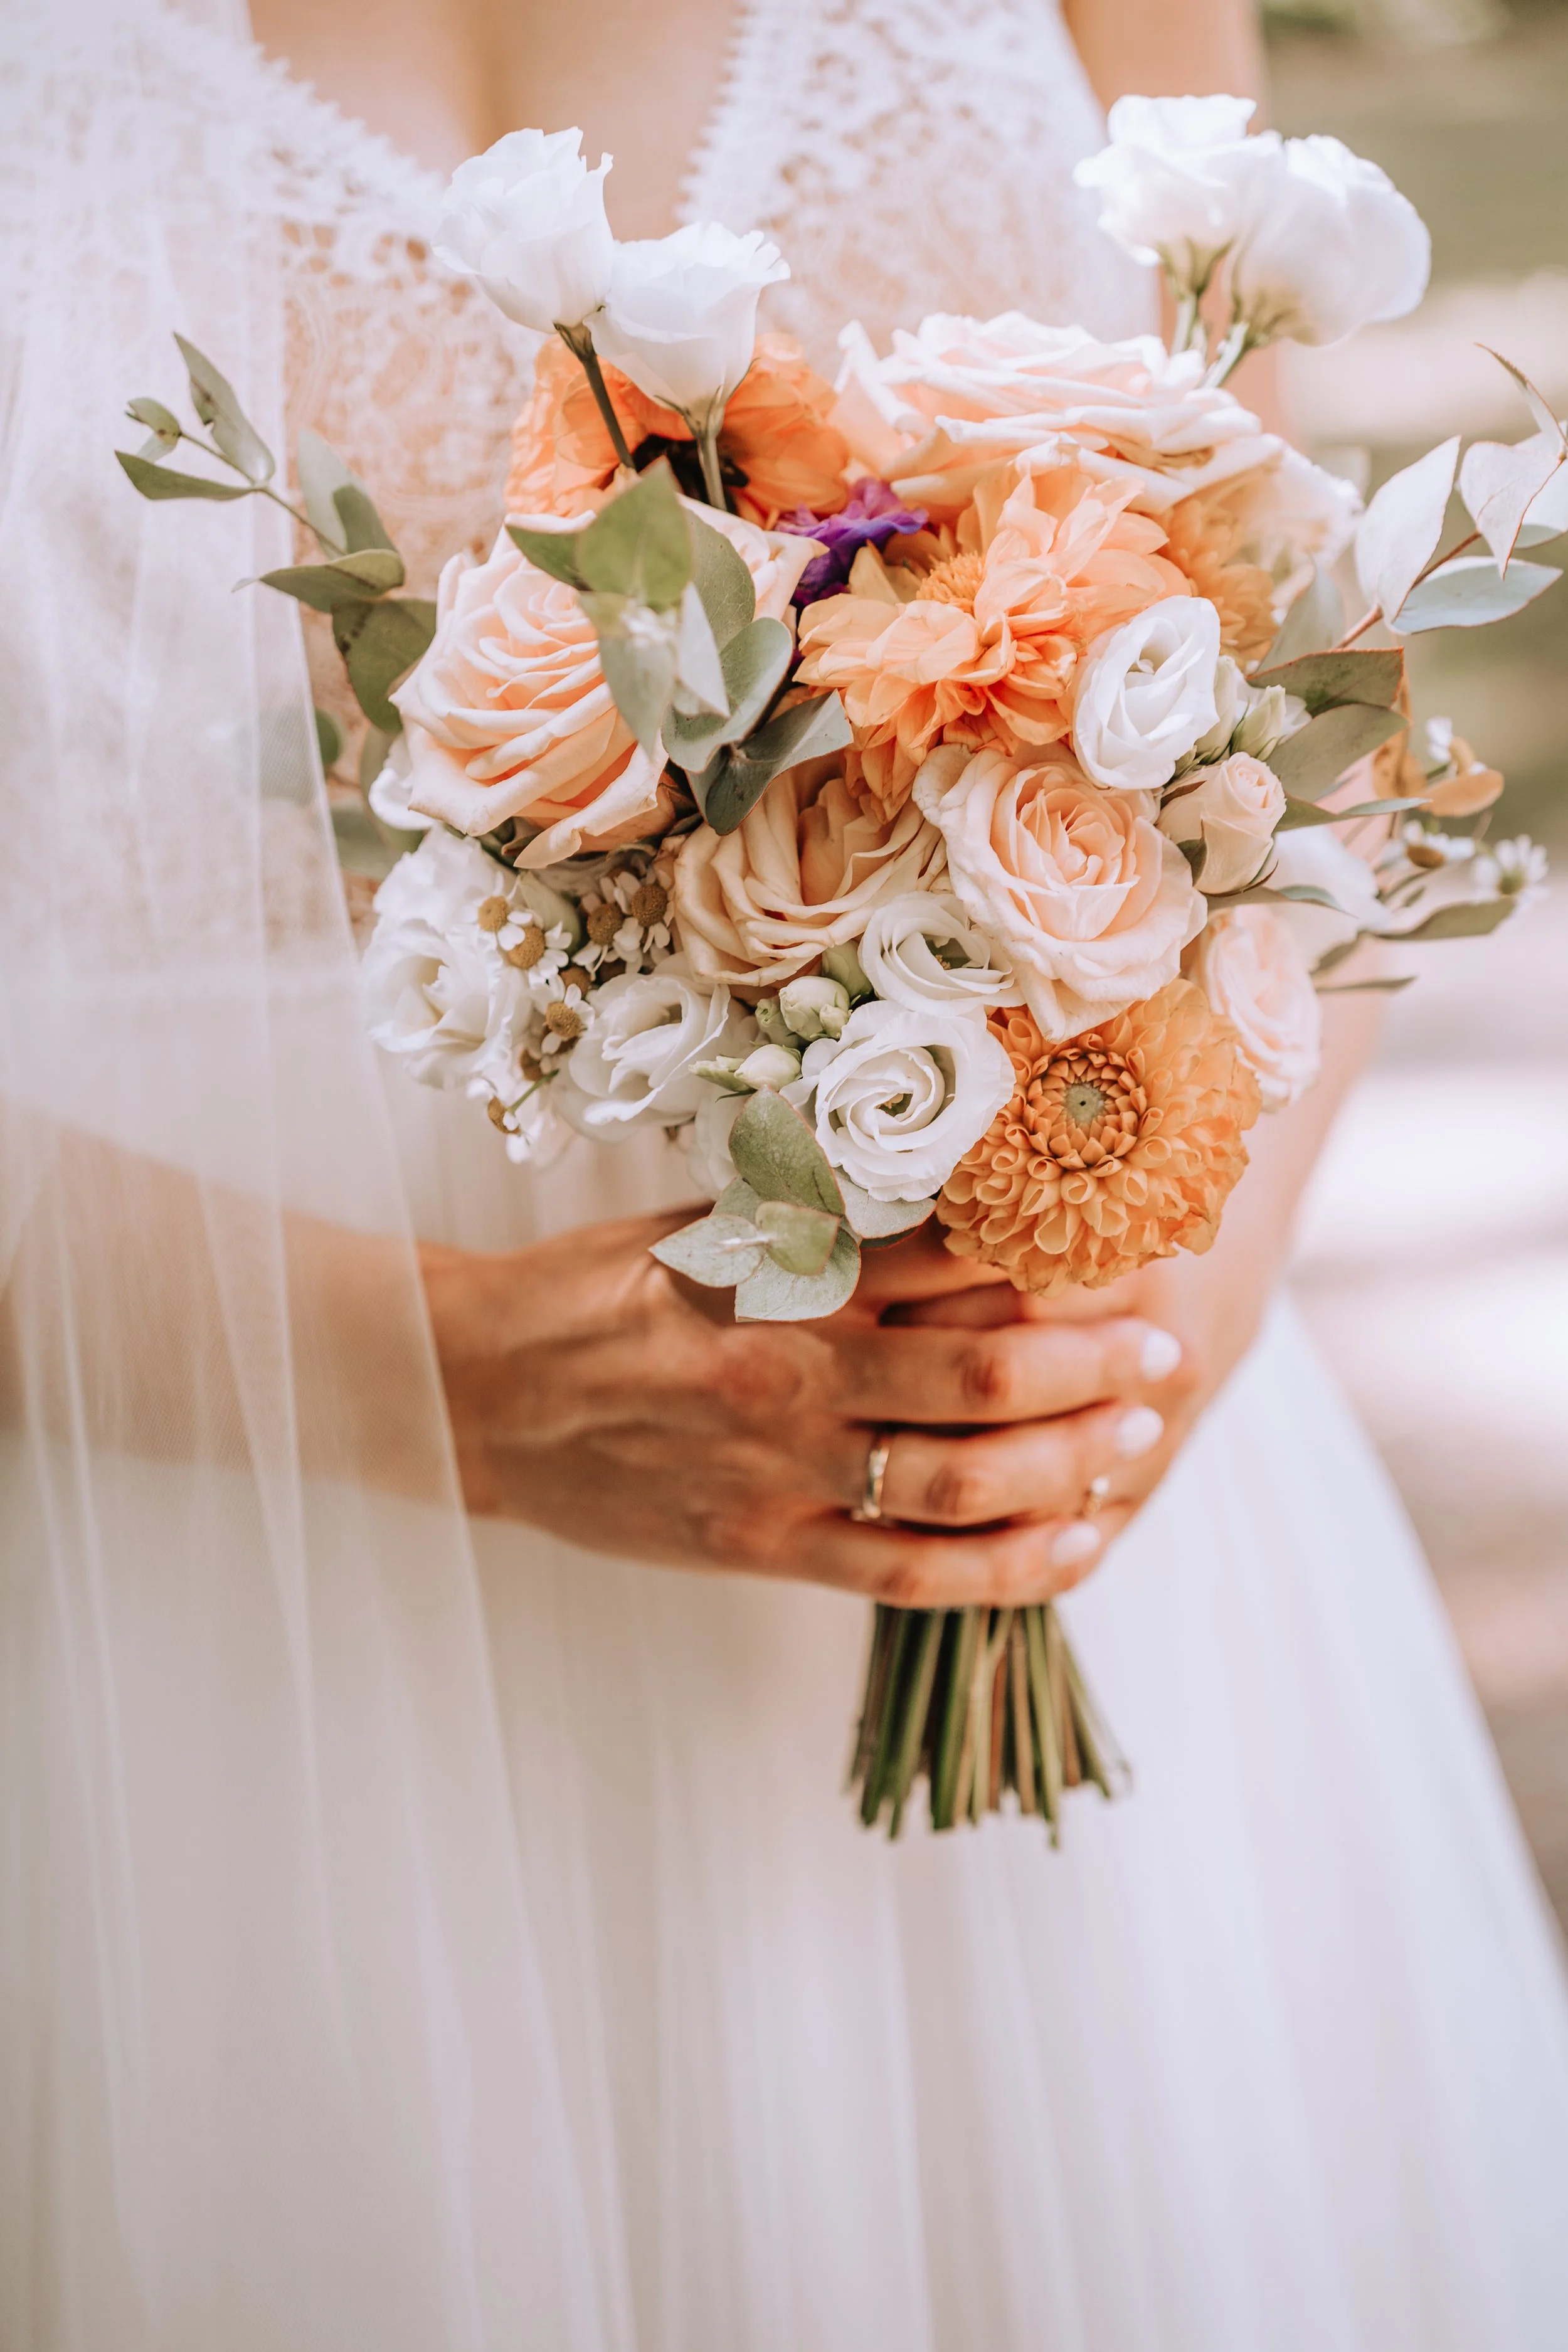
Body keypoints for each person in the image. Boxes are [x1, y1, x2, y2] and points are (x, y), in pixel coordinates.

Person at [2, 0, 1566, 2344]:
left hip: (1043, 1512)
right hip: (203, 1609)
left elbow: (1297, 739)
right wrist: (447, 1382)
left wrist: (1144, 1349)